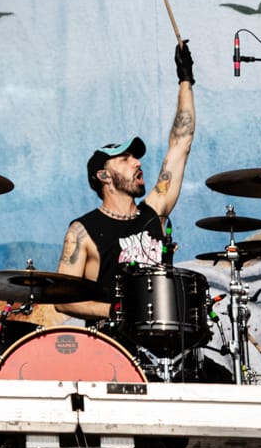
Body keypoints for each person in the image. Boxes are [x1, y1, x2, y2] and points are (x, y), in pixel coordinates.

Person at [55, 42, 195, 324]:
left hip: (162, 337)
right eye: (125, 159)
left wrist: (185, 80)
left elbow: (181, 145)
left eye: (136, 157)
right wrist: (115, 310)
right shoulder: (82, 231)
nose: (137, 163)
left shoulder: (154, 212)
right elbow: (62, 300)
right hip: (112, 341)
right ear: (104, 176)